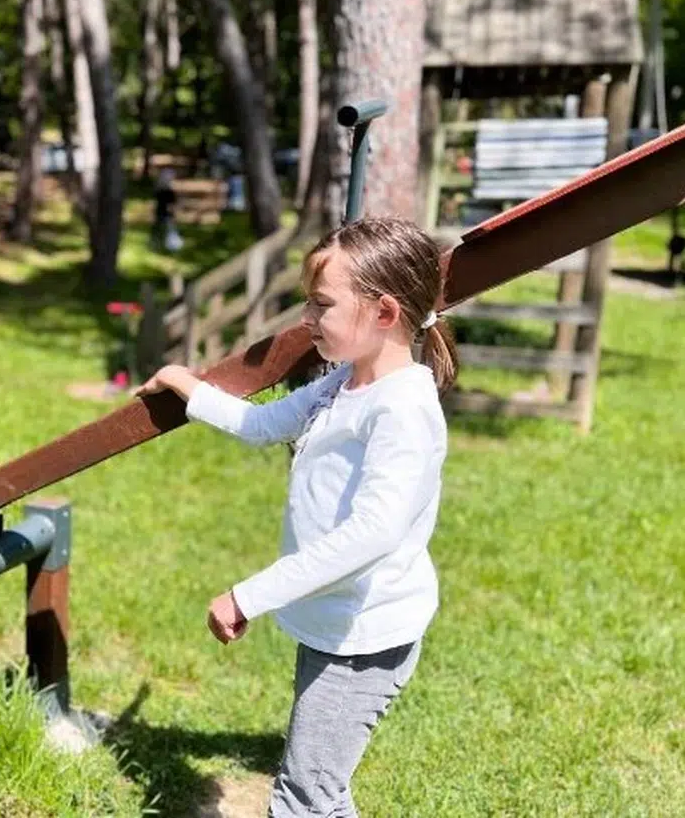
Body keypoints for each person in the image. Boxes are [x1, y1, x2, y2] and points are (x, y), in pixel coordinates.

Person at [135, 217, 459, 818]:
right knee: (324, 788)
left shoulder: (402, 409)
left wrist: (247, 595)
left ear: (384, 312)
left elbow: (373, 534)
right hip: (334, 624)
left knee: (303, 796)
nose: (306, 320)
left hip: (364, 638)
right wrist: (188, 385)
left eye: (321, 304)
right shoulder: (343, 383)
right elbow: (261, 425)